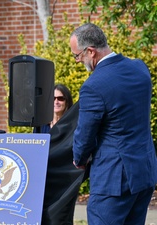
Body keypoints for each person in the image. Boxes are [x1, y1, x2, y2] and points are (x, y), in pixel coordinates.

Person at [70, 23, 157, 225]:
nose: (77, 61)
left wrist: (79, 158)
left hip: (114, 180)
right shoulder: (140, 68)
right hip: (144, 171)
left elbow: (85, 134)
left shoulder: (93, 86)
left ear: (90, 51)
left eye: (78, 56)